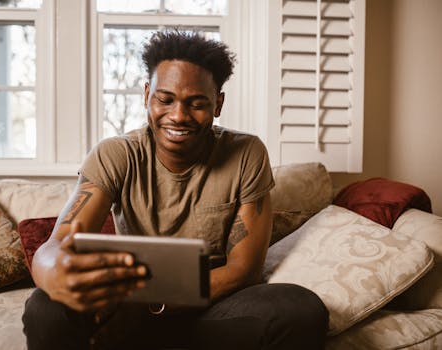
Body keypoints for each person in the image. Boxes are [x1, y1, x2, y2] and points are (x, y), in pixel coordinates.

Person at [22, 30, 329, 350]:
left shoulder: (246, 153)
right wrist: (55, 274)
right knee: (46, 307)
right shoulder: (116, 153)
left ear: (218, 103)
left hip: (210, 309)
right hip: (127, 308)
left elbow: (243, 270)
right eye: (165, 100)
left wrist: (156, 304)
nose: (178, 116)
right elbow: (55, 245)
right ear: (146, 96)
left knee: (299, 308)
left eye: (196, 103)